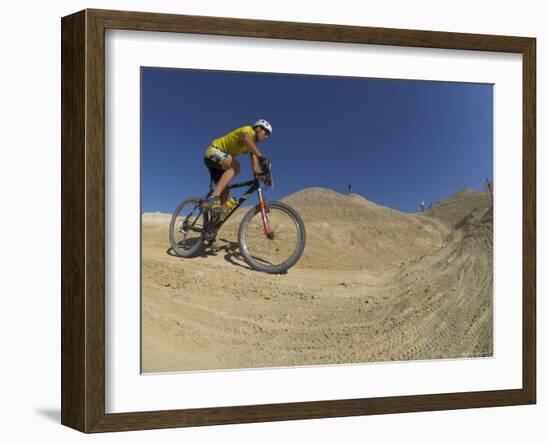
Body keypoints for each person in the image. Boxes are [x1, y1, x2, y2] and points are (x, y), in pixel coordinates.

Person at [201, 119, 272, 215]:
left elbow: (255, 169)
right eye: (266, 132)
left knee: (225, 191)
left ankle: (212, 226)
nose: (266, 137)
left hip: (220, 164)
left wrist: (265, 178)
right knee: (236, 167)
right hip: (213, 151)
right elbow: (247, 139)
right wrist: (260, 155)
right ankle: (212, 198)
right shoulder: (248, 130)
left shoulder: (252, 147)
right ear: (258, 128)